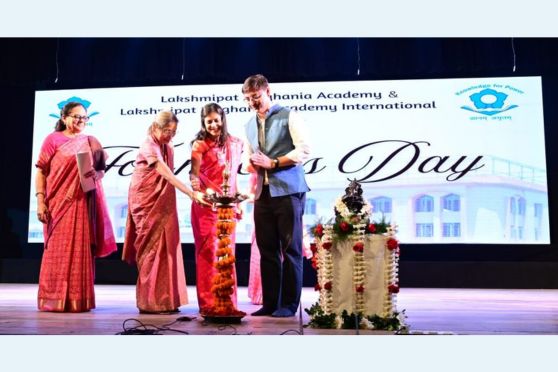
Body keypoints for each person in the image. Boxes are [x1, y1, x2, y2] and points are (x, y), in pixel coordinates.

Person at [35, 101, 117, 312]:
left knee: (80, 251)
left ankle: (78, 300)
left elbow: (101, 171)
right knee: (56, 251)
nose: (80, 121)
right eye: (76, 116)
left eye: (84, 118)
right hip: (57, 204)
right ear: (64, 118)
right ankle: (52, 299)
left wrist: (93, 176)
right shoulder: (52, 140)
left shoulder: (90, 141)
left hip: (82, 204)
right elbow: (41, 171)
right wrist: (40, 201)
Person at [123, 110, 207, 314]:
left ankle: (167, 300)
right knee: (150, 251)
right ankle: (149, 302)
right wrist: (189, 192)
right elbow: (164, 172)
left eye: (174, 132)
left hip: (163, 202)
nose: (171, 136)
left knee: (167, 247)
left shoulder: (167, 146)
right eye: (168, 131)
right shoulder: (148, 145)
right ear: (155, 127)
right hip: (145, 201)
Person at [241, 74, 311, 317]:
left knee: (291, 250)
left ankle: (290, 305)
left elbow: (303, 149)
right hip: (263, 193)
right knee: (267, 249)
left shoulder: (288, 115)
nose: (253, 102)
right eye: (248, 99)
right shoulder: (249, 125)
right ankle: (270, 304)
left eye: (256, 97)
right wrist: (251, 164)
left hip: (289, 191)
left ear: (267, 91)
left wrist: (273, 162)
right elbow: (247, 159)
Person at [190, 103, 244, 314]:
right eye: (208, 121)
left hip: (227, 206)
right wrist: (196, 189)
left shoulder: (235, 143)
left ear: (223, 119)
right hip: (205, 207)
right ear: (203, 122)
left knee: (227, 254)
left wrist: (237, 202)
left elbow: (233, 177)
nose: (213, 124)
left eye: (216, 120)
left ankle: (228, 302)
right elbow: (194, 174)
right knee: (208, 254)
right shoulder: (199, 145)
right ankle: (209, 304)